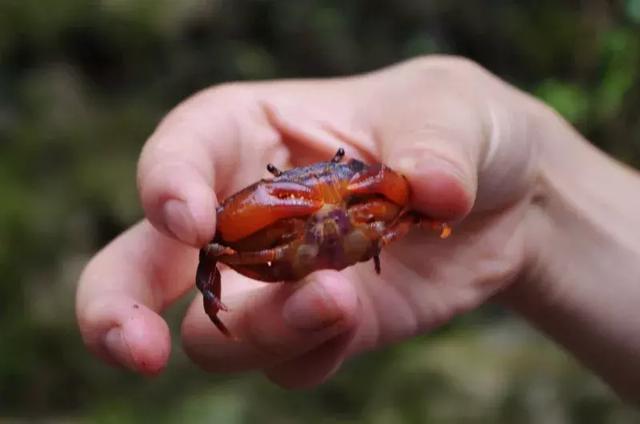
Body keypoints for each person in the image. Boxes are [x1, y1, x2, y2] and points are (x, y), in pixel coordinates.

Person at [75, 56, 640, 401]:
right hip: (271, 255)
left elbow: (403, 203)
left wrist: (534, 193)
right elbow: (213, 245)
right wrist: (540, 205)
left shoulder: (377, 198)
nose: (318, 192)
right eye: (292, 185)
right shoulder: (256, 222)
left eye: (334, 173)